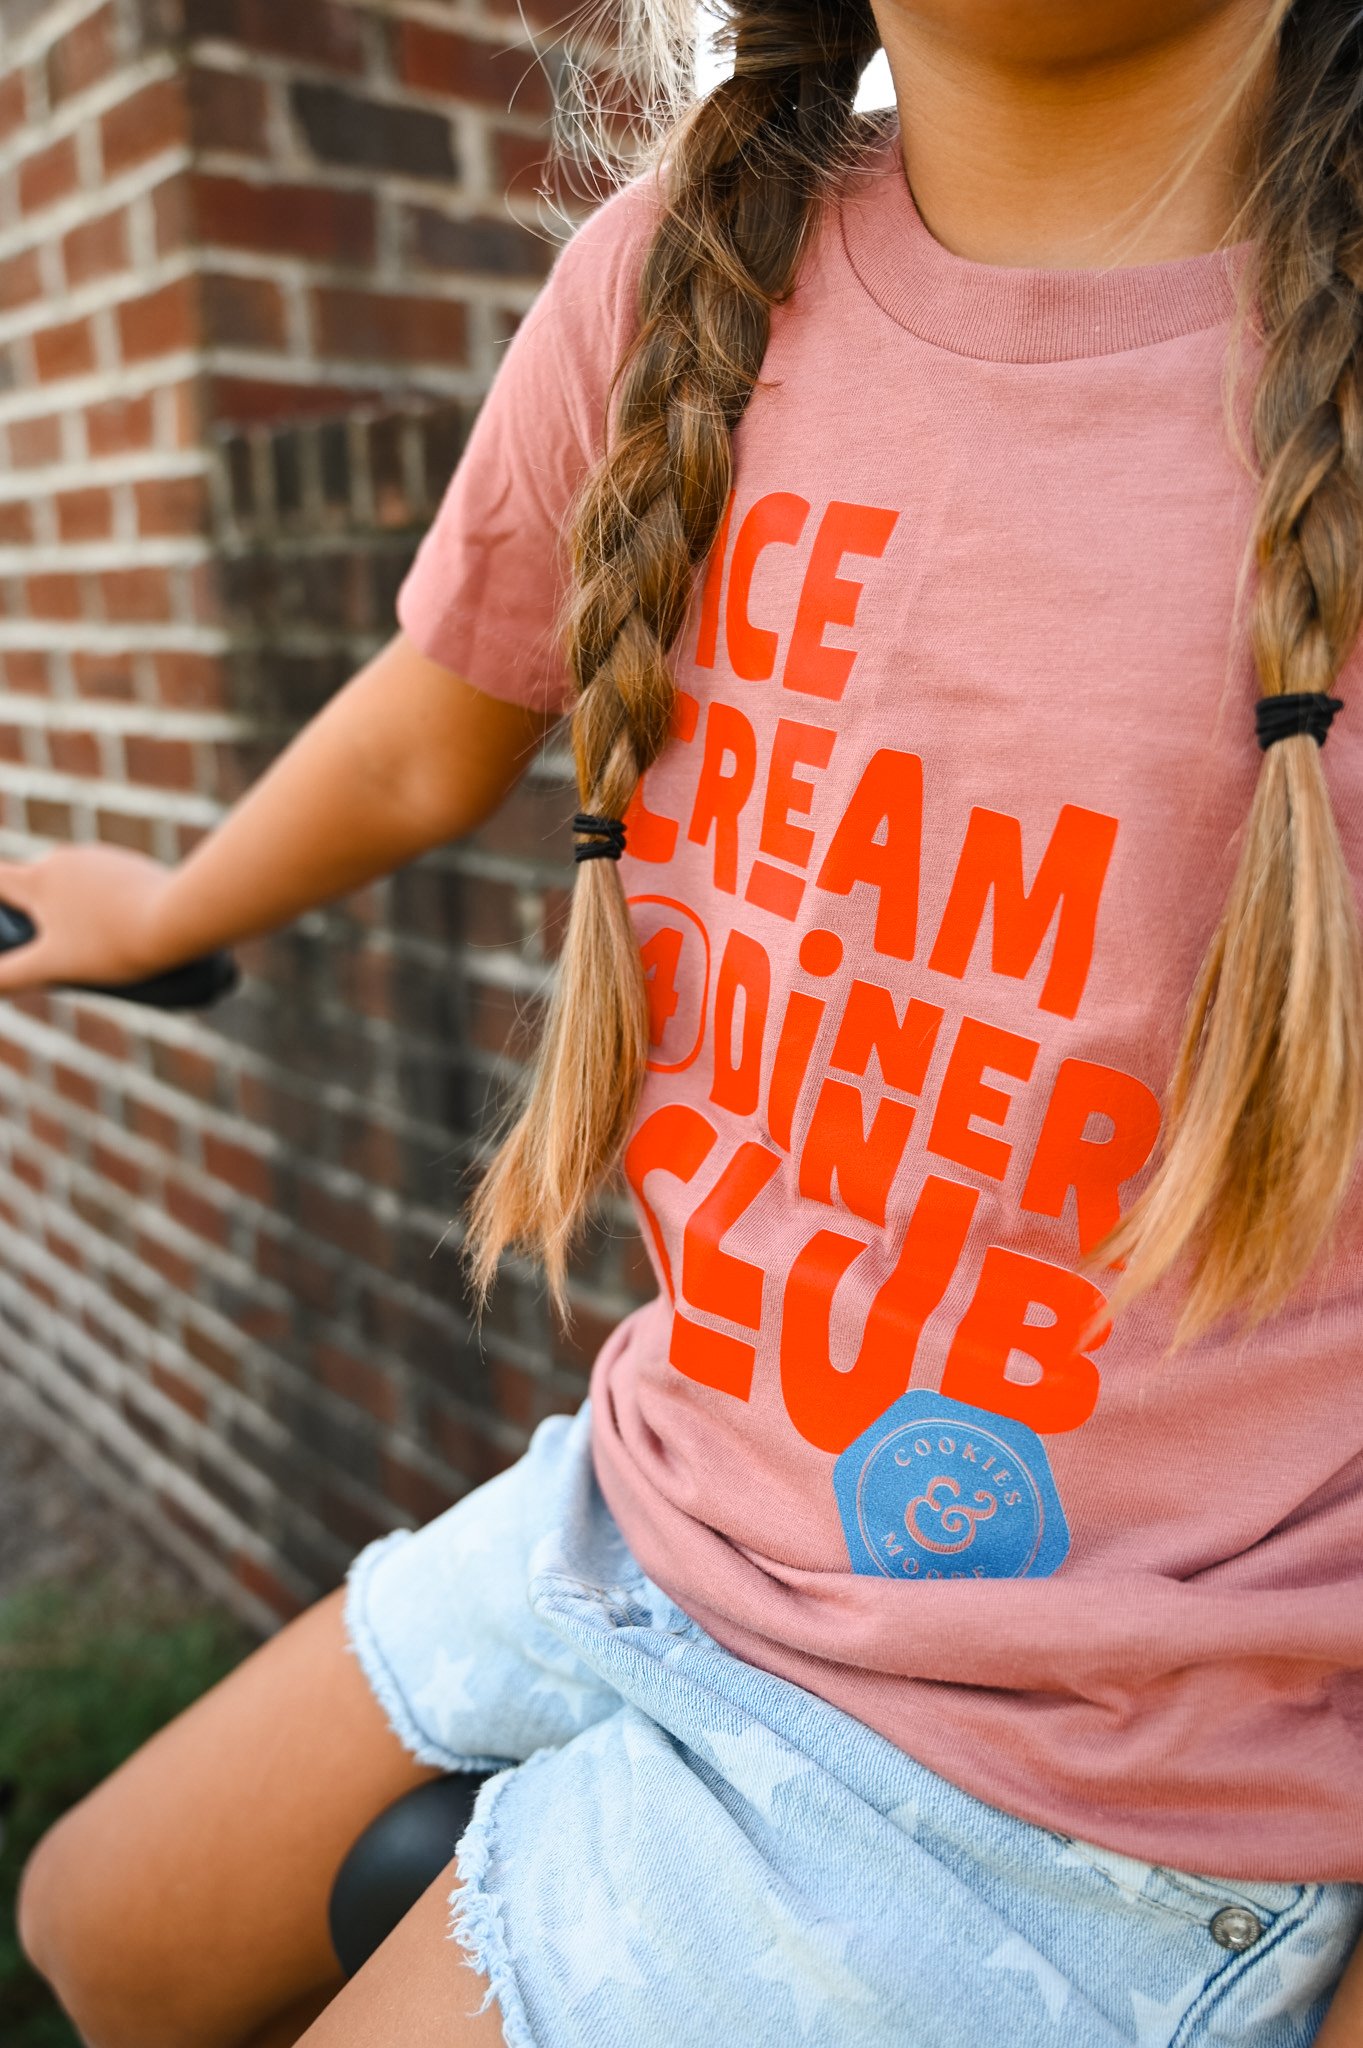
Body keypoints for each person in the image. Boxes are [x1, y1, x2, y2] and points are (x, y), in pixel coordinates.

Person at [10, 0, 1363, 2041]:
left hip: (1075, 1757)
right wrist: (175, 903)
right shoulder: (668, 284)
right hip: (677, 1486)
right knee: (100, 1922)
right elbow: (422, 734)